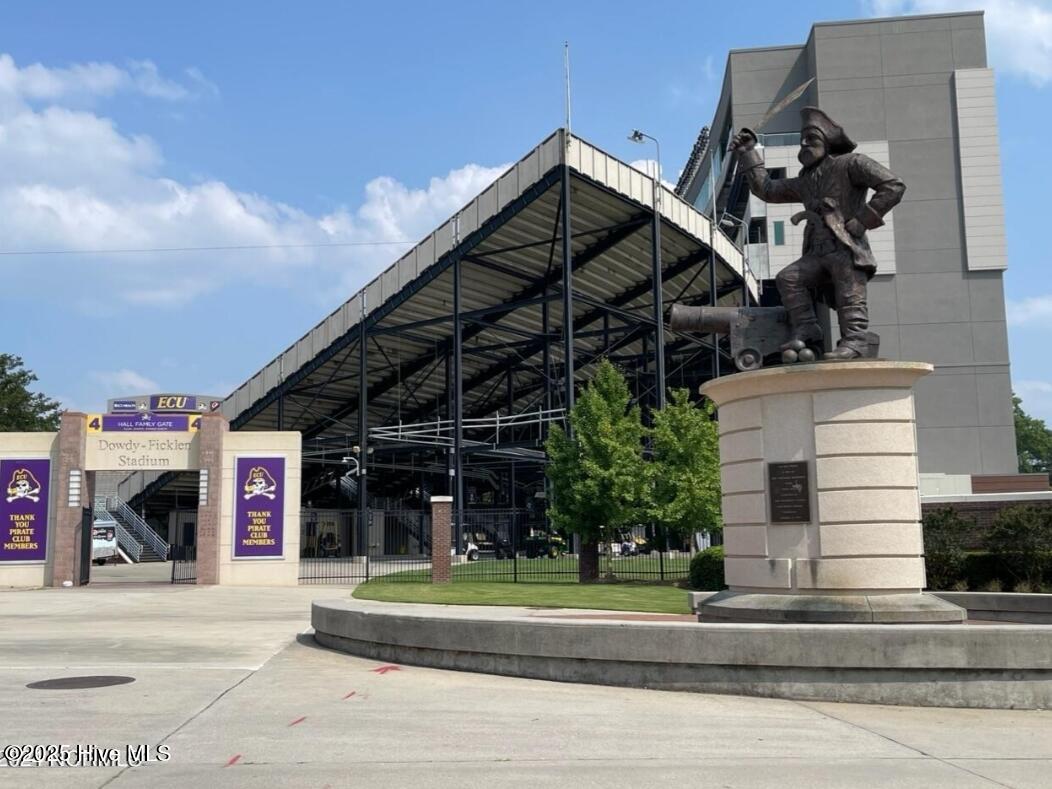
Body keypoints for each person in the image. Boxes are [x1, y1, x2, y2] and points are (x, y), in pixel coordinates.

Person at [729, 107, 905, 360]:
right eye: (802, 139)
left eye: (811, 138)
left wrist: (862, 221)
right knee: (789, 278)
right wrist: (747, 152)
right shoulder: (806, 180)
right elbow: (767, 189)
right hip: (817, 250)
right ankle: (807, 327)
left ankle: (856, 340)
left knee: (849, 294)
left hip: (845, 247)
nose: (804, 144)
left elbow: (893, 186)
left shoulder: (852, 163)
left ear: (828, 141)